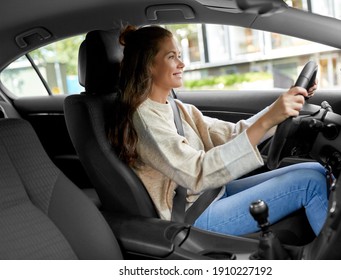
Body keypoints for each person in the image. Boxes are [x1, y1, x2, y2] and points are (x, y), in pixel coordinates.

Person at [108, 25, 328, 236]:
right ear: (148, 65)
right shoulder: (144, 121)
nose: (182, 63)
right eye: (171, 56)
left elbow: (232, 134)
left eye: (180, 55)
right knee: (310, 184)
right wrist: (269, 118)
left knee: (318, 170)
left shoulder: (177, 108)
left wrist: (282, 107)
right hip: (194, 214)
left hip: (214, 193)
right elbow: (196, 173)